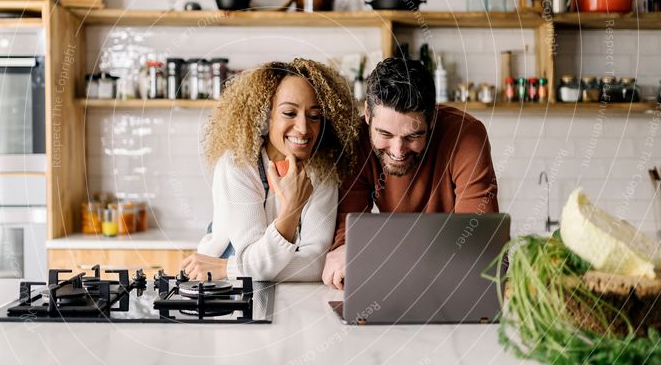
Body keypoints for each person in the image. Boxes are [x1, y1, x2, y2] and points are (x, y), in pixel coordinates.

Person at [322, 57, 499, 289]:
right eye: (385, 134)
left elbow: (479, 241)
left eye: (412, 136)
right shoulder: (356, 140)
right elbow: (348, 234)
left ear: (432, 119)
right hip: (415, 272)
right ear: (367, 114)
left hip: (454, 280)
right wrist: (346, 250)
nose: (398, 151)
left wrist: (373, 252)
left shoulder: (467, 136)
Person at [181, 59, 357, 282]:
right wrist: (293, 207)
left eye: (314, 116)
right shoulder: (238, 165)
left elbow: (315, 264)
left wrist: (230, 268)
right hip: (225, 290)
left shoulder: (323, 173)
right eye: (289, 113)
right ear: (267, 115)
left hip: (234, 275)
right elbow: (253, 259)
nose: (303, 128)